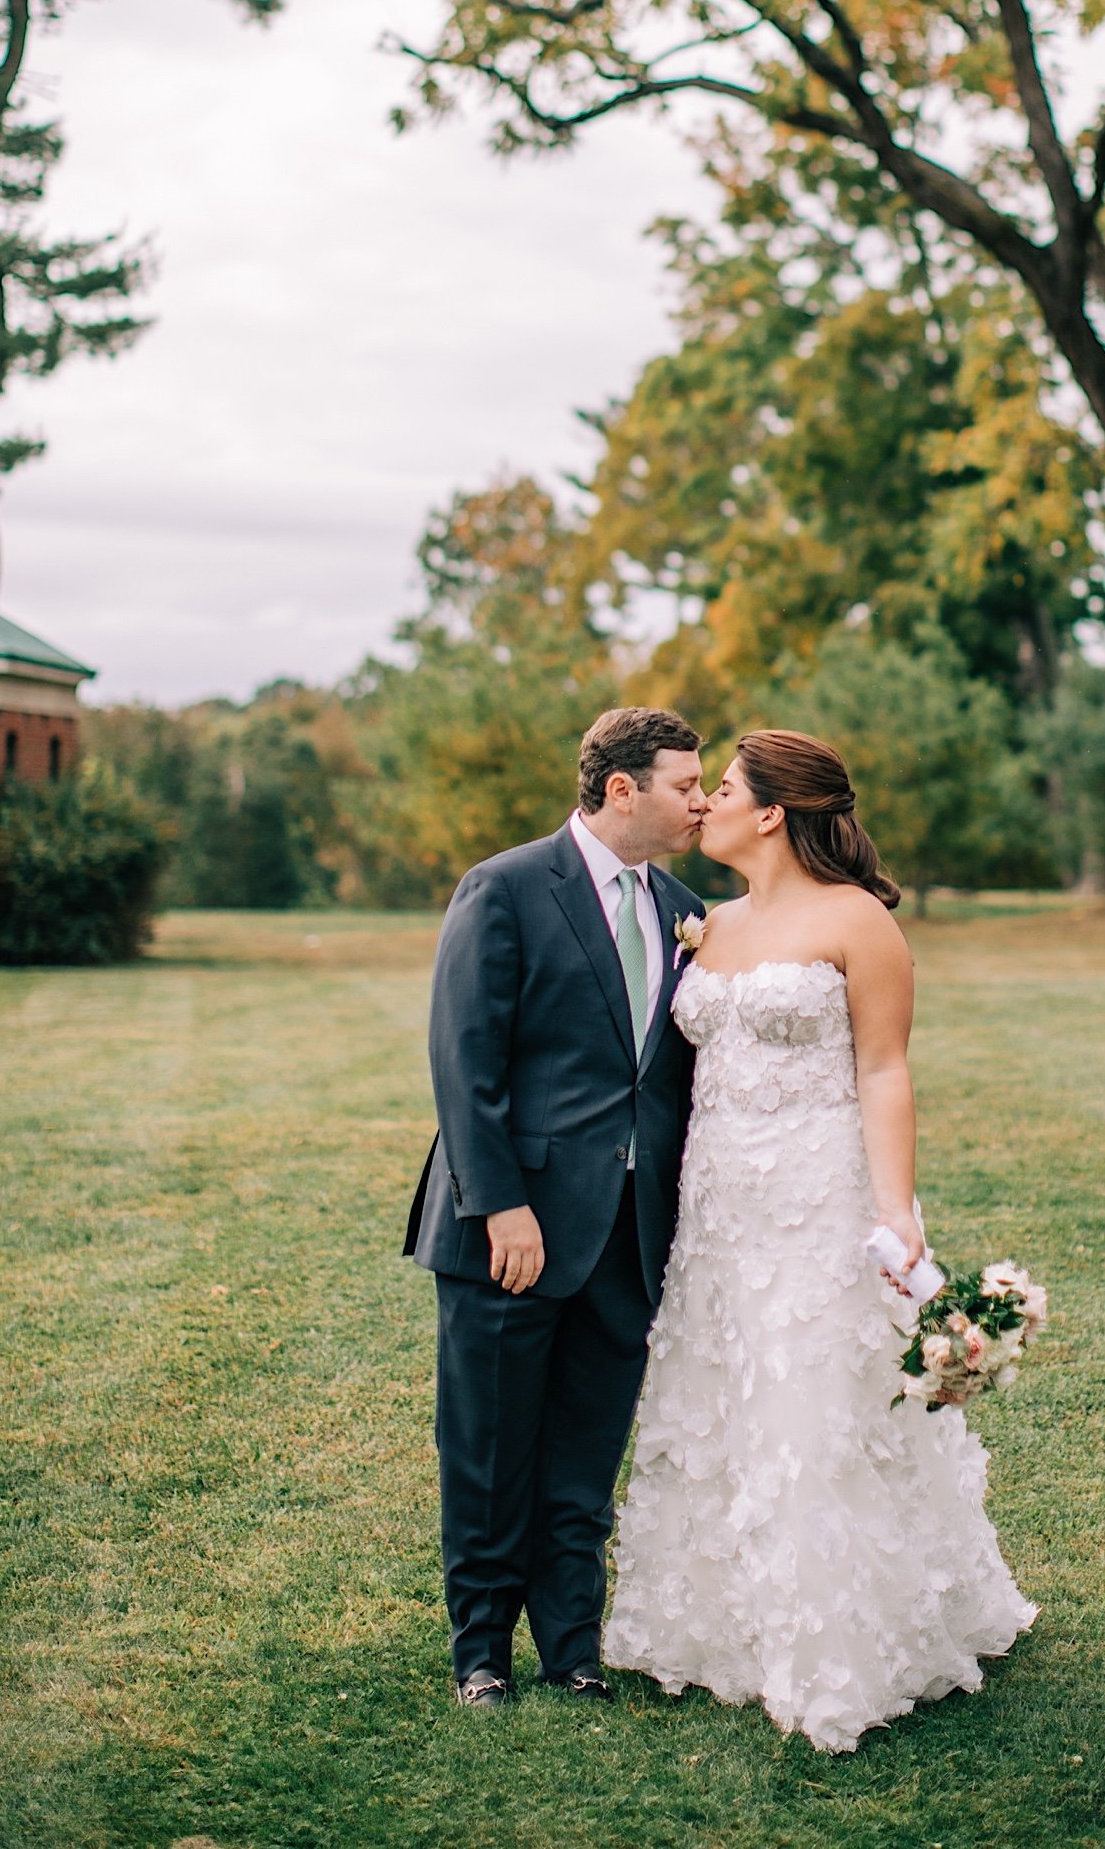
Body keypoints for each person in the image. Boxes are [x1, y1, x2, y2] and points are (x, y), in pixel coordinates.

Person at [604, 728, 1036, 1752]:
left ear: (772, 812)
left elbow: (885, 1070)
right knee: (721, 1392)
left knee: (810, 1402)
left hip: (817, 1190)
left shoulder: (860, 923)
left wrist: (894, 1212)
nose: (702, 800)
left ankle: (837, 1644)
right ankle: (713, 1623)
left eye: (724, 785)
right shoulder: (711, 923)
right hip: (717, 1203)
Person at [403, 705, 708, 1707]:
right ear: (622, 789)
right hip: (512, 1229)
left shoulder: (683, 907)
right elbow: (465, 1059)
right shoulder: (504, 887)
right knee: (491, 1447)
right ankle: (480, 1649)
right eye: (683, 783)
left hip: (627, 1233)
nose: (700, 799)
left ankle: (573, 1643)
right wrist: (499, 1204)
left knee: (584, 1451)